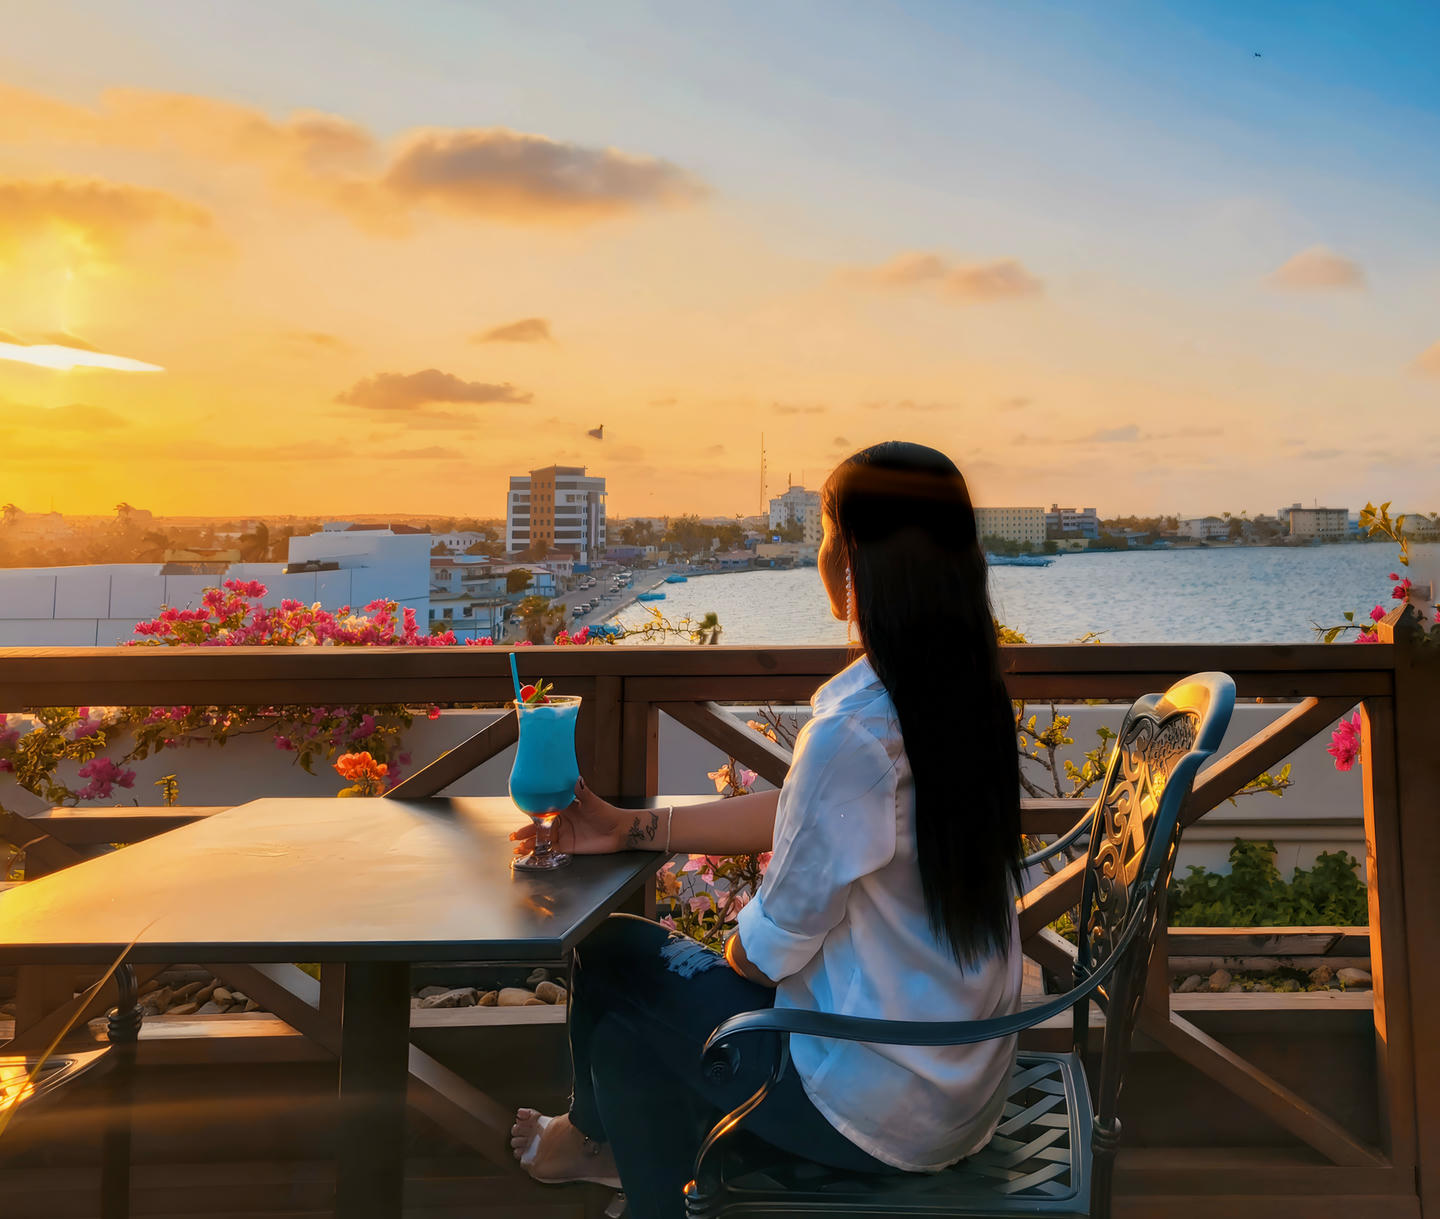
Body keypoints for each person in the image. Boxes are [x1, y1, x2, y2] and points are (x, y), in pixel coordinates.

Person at [509, 441, 1023, 1219]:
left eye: (824, 532)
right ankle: (613, 1158)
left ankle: (589, 1141)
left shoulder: (853, 733)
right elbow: (810, 814)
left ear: (850, 559)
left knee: (612, 954)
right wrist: (632, 829)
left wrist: (716, 954)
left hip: (869, 1103)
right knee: (624, 1039)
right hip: (957, 1083)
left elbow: (761, 953)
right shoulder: (961, 695)